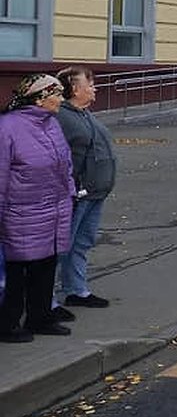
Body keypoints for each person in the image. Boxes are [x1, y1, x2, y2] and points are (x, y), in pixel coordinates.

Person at [0, 74, 76, 342]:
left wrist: (69, 196)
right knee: (17, 273)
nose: (62, 99)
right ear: (40, 98)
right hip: (20, 215)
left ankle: (40, 318)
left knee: (45, 268)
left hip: (52, 212)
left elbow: (65, 164)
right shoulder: (7, 127)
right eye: (57, 93)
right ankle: (7, 325)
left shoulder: (51, 124)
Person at [52, 67, 117, 318]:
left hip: (95, 193)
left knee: (80, 243)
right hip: (76, 194)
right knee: (60, 247)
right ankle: (46, 301)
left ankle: (76, 290)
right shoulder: (61, 117)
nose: (94, 88)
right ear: (74, 88)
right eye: (89, 84)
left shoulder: (84, 114)